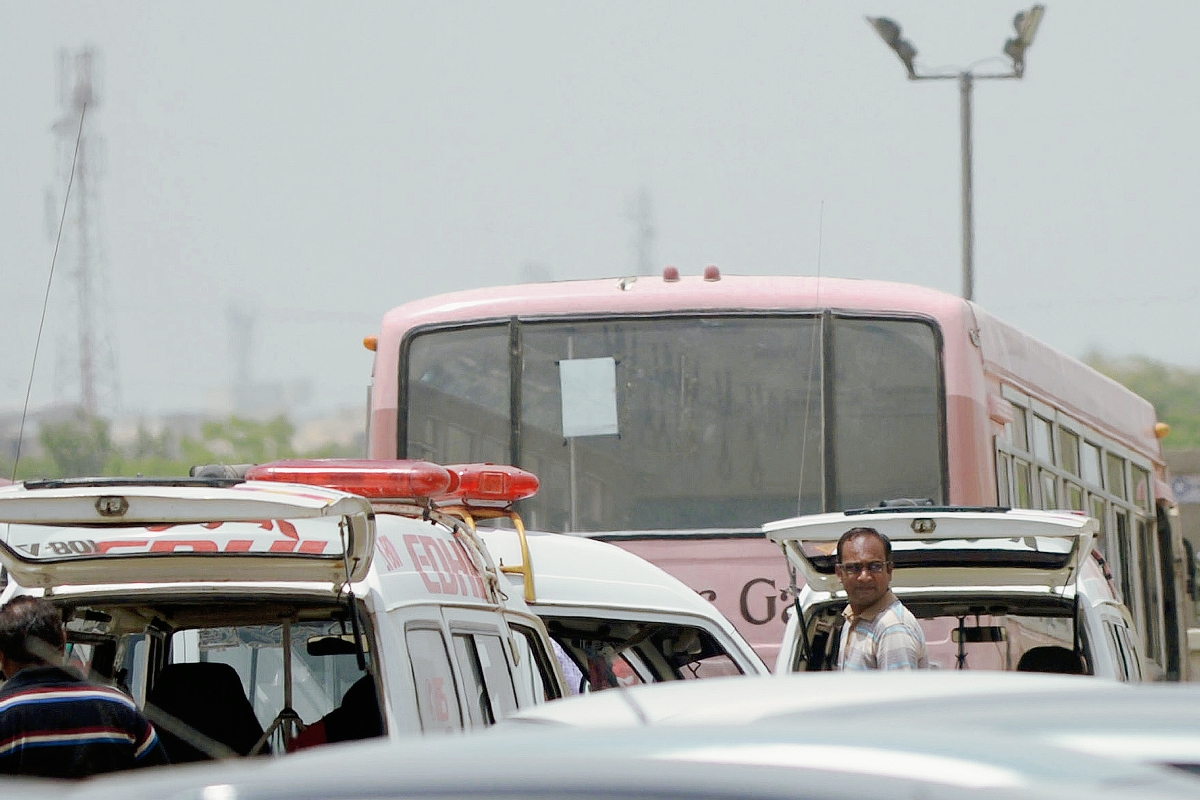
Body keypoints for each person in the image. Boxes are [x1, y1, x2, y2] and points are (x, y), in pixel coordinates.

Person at [0, 596, 169, 778]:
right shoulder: (121, 708)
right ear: (63, 643)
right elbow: (162, 785)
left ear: (1, 656)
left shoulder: (4, 714)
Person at [835, 527, 928, 670]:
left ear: (889, 570)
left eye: (874, 566)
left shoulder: (892, 628)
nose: (864, 577)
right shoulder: (852, 617)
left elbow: (899, 692)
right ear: (839, 573)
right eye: (854, 568)